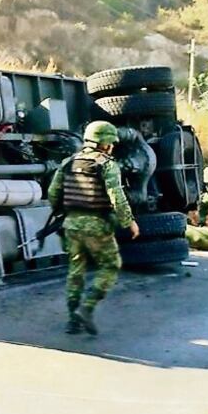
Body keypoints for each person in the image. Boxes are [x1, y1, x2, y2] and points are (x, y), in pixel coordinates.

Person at [47, 120, 139, 336]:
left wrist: (63, 211)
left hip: (71, 225)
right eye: (111, 142)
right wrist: (129, 222)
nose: (113, 146)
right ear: (105, 143)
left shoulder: (68, 162)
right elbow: (117, 196)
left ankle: (72, 320)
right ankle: (86, 308)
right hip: (97, 225)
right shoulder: (106, 164)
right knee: (110, 265)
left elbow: (53, 192)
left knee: (75, 271)